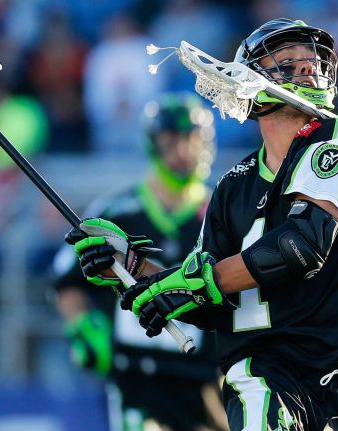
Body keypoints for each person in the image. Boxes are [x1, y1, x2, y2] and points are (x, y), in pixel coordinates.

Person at [67, 18, 338, 430]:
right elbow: (206, 298)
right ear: (251, 84)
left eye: (309, 60)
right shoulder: (233, 186)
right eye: (285, 62)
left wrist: (195, 283)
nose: (305, 69)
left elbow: (301, 246)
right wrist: (135, 268)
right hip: (264, 370)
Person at [52, 93, 227, 431]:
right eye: (171, 141)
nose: (183, 151)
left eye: (192, 139)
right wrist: (82, 325)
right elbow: (66, 279)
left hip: (206, 377)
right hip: (136, 378)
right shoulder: (117, 213)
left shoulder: (222, 216)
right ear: (153, 145)